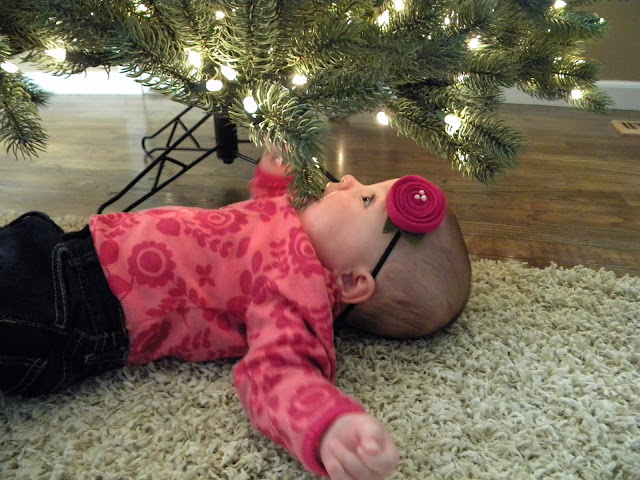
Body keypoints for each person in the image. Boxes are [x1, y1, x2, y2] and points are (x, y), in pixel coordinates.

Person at [0, 149, 471, 480]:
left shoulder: (297, 290)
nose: (349, 181)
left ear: (351, 282)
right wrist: (274, 178)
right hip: (68, 250)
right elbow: (256, 217)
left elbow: (278, 375)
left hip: (79, 311)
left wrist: (329, 426)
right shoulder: (290, 230)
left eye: (366, 199)